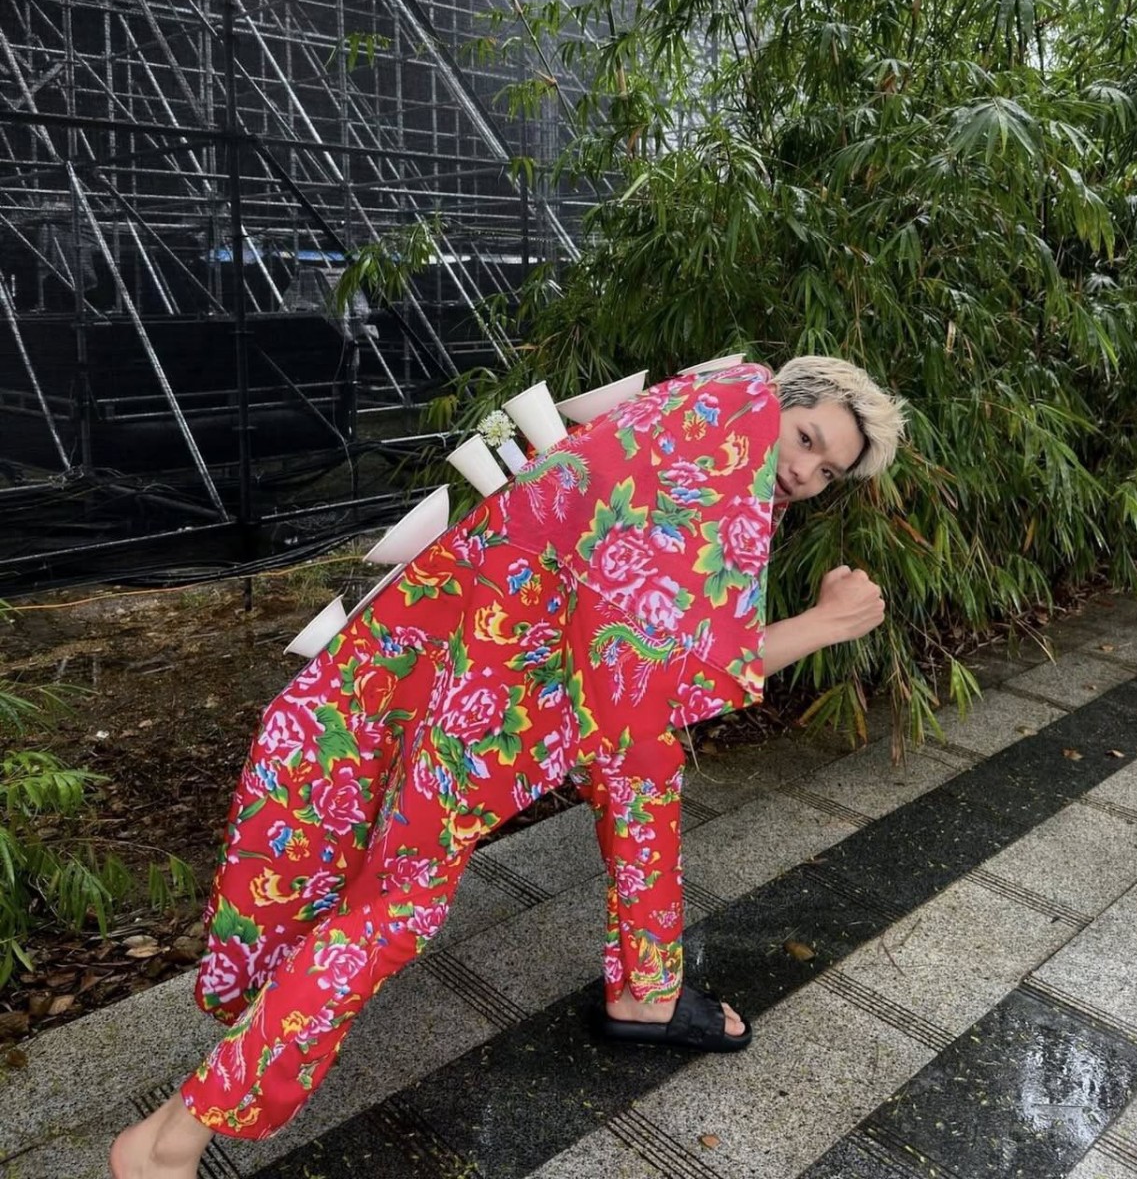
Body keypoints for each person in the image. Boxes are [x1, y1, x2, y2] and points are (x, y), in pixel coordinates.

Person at [109, 355, 904, 1179]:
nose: (805, 472)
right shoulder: (719, 421)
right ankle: (174, 1134)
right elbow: (672, 673)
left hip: (468, 658)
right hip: (482, 695)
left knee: (638, 765)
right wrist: (824, 623)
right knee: (395, 906)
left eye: (828, 471)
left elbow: (640, 678)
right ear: (773, 406)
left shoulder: (689, 448)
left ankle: (647, 987)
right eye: (807, 439)